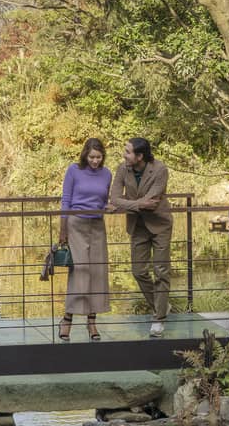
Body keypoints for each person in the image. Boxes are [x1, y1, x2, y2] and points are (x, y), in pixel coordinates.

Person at [108, 137, 173, 337]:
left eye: (127, 152)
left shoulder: (160, 170)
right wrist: (136, 204)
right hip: (137, 226)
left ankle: (158, 319)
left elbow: (151, 203)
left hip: (160, 224)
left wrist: (125, 204)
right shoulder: (122, 169)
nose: (123, 154)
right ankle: (161, 305)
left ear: (140, 156)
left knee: (161, 271)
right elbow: (114, 198)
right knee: (138, 271)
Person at [58, 137, 111, 341]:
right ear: (85, 155)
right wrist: (63, 228)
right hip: (76, 223)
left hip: (97, 224)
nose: (95, 161)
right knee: (79, 271)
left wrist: (110, 207)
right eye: (91, 157)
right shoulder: (74, 170)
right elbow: (66, 199)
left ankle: (92, 322)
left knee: (97, 271)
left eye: (99, 157)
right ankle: (67, 320)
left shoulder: (107, 174)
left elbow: (104, 200)